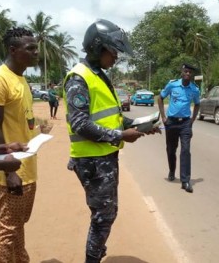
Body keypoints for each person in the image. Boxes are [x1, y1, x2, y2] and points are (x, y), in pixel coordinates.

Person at [63, 19, 160, 263]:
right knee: (103, 216)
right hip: (91, 160)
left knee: (106, 213)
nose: (115, 57)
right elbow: (80, 124)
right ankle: (92, 258)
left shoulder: (100, 76)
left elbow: (110, 117)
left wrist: (138, 126)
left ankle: (95, 252)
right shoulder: (79, 78)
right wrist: (120, 135)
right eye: (113, 51)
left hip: (103, 157)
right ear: (98, 47)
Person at [0, 27, 40, 262]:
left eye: (36, 47)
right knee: (7, 230)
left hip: (26, 166)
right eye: (30, 48)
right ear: (13, 50)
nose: (36, 52)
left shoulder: (21, 79)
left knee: (18, 225)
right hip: (11, 170)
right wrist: (7, 170)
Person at [157, 63, 200, 193]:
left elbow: (197, 104)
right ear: (182, 72)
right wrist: (163, 117)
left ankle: (185, 181)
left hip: (185, 123)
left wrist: (192, 120)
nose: (188, 74)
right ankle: (171, 170)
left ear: (192, 75)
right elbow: (160, 98)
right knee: (171, 150)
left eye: (190, 72)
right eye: (186, 71)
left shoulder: (194, 89)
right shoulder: (172, 85)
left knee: (185, 150)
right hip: (171, 122)